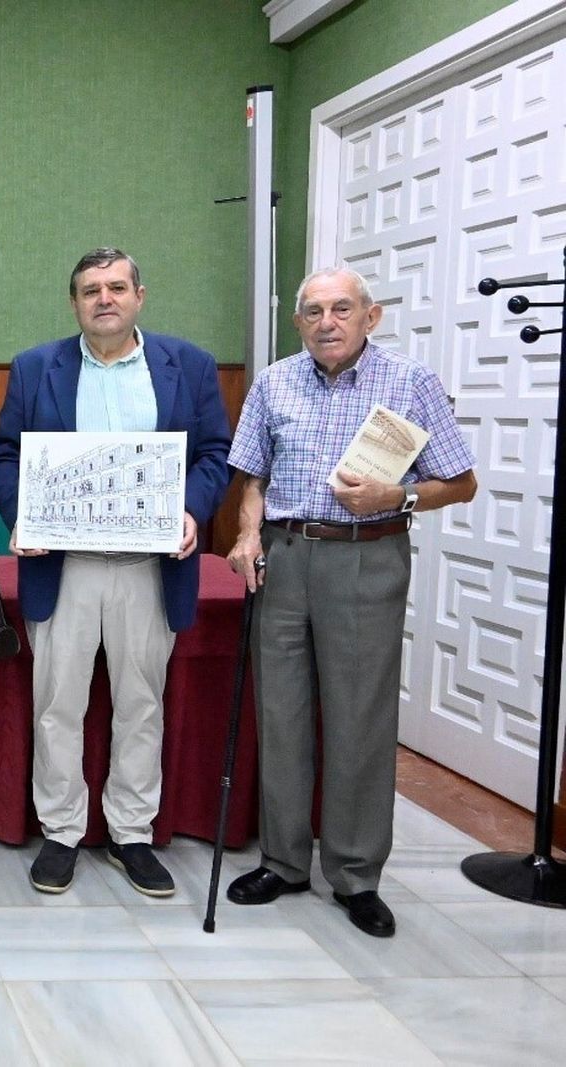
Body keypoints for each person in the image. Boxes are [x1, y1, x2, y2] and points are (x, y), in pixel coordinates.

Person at [224, 267, 477, 938]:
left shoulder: (411, 382)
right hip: (284, 555)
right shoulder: (275, 381)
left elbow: (462, 480)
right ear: (299, 321)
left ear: (372, 316)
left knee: (359, 715)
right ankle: (282, 860)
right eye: (313, 311)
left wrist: (399, 496)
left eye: (342, 308)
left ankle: (356, 873)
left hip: (368, 554)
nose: (327, 321)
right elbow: (252, 476)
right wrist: (248, 533)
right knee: (280, 711)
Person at [0, 247, 230, 898]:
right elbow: (6, 455)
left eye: (117, 287)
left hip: (148, 568)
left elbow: (214, 454)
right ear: (74, 303)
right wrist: (22, 514)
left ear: (139, 296)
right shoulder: (37, 367)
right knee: (57, 706)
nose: (104, 298)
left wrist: (192, 509)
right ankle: (61, 832)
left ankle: (131, 832)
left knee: (140, 705)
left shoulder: (190, 366)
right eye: (91, 289)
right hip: (64, 569)